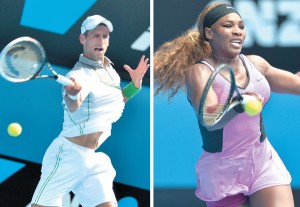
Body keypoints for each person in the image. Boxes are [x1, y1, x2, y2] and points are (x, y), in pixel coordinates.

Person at [154, 2, 300, 207]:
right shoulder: (199, 72)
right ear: (209, 33)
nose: (237, 31)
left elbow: (296, 83)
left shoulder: (257, 64)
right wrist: (239, 103)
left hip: (262, 160)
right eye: (228, 26)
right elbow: (210, 119)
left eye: (241, 26)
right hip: (222, 172)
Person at [31, 14, 149, 207]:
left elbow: (116, 101)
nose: (101, 40)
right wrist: (72, 94)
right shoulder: (78, 76)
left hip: (92, 159)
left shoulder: (110, 71)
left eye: (105, 36)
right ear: (83, 39)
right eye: (95, 35)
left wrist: (135, 86)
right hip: (67, 156)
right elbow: (73, 105)